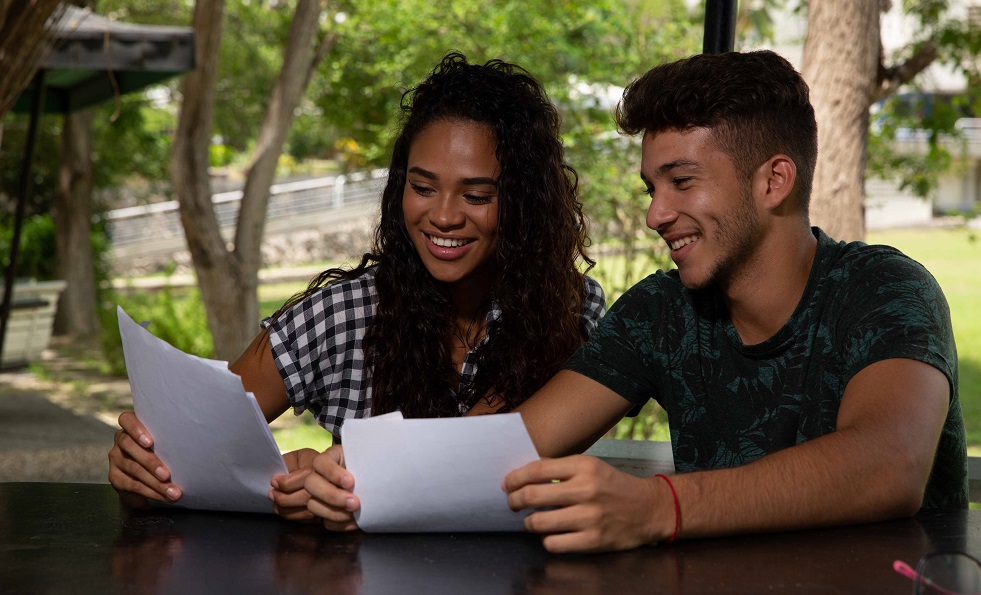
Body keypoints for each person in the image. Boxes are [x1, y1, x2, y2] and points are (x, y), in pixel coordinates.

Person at [304, 50, 967, 550]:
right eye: (652, 187)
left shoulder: (884, 290)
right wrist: (353, 477)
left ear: (773, 181)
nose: (655, 214)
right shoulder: (660, 312)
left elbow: (889, 464)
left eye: (681, 182)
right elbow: (508, 446)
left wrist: (659, 507)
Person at [107, 52, 606, 519]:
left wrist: (349, 474)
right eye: (422, 187)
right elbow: (192, 450)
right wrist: (148, 469)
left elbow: (478, 460)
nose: (443, 216)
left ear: (526, 204)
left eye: (476, 196)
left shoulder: (567, 310)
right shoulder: (342, 313)